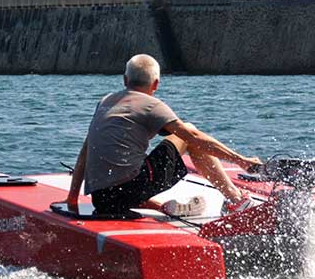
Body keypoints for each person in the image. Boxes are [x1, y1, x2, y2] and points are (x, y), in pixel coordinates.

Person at [66, 54, 261, 216]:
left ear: (125, 80)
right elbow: (193, 137)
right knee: (188, 131)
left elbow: (85, 151)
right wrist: (241, 160)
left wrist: (72, 198)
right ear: (156, 84)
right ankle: (236, 199)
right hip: (130, 189)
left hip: (102, 199)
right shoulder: (151, 105)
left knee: (125, 177)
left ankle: (164, 207)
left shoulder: (105, 101)